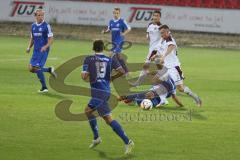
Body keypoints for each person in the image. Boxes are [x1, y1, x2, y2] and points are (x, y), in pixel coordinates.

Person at [81, 40, 134, 155]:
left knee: (88, 111)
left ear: (93, 48)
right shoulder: (110, 60)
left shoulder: (88, 59)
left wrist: (90, 74)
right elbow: (122, 71)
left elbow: (84, 77)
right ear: (103, 49)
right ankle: (124, 140)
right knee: (108, 119)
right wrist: (111, 78)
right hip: (105, 91)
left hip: (98, 93)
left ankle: (99, 138)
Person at [153, 25, 202, 107]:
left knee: (180, 88)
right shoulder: (163, 41)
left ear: (168, 32)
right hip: (166, 68)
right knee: (156, 80)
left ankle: (196, 97)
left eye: (163, 33)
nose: (162, 35)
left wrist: (163, 57)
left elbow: (171, 47)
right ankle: (163, 100)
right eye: (160, 33)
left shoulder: (170, 39)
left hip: (173, 68)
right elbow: (163, 52)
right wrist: (156, 56)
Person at [26, 8, 57, 93]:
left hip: (43, 50)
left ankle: (44, 88)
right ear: (35, 16)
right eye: (39, 15)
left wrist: (46, 46)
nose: (41, 17)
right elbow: (32, 38)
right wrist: (29, 47)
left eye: (42, 15)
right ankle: (49, 70)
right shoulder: (33, 26)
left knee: (37, 68)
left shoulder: (46, 26)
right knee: (31, 69)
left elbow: (51, 39)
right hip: (35, 51)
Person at [132, 10, 162, 86]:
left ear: (159, 17)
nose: (155, 17)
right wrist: (147, 36)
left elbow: (165, 37)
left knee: (145, 66)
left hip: (156, 50)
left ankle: (137, 83)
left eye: (157, 16)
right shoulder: (150, 25)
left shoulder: (161, 27)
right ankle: (167, 80)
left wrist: (158, 48)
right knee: (160, 67)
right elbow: (148, 33)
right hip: (151, 49)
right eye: (154, 15)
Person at [102, 7, 131, 74]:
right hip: (113, 41)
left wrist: (124, 33)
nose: (116, 14)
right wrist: (104, 32)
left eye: (117, 13)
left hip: (119, 41)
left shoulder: (122, 21)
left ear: (119, 13)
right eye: (115, 13)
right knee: (118, 56)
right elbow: (109, 29)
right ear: (113, 13)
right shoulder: (111, 21)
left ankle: (109, 70)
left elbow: (129, 28)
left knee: (110, 54)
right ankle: (126, 71)